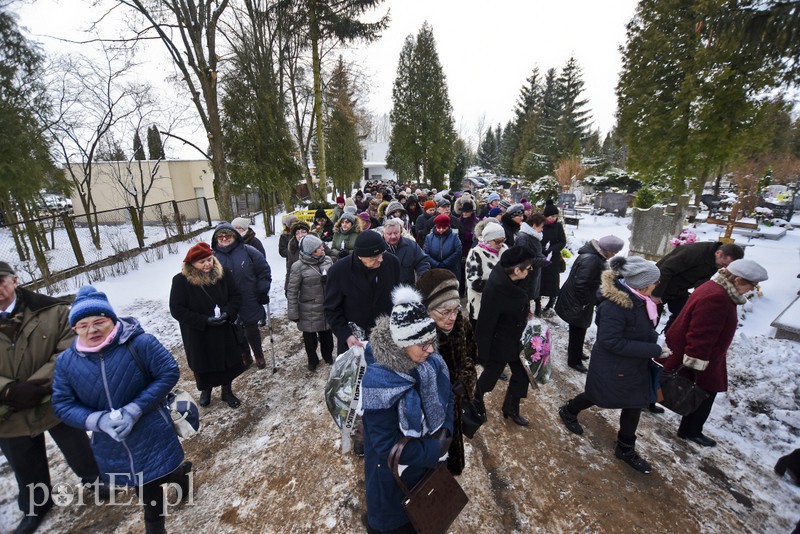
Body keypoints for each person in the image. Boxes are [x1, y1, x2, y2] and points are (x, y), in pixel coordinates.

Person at [52, 286, 191, 534]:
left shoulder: (139, 343)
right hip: (111, 443)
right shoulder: (66, 362)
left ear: (112, 320)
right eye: (82, 325)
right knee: (148, 479)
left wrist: (136, 408)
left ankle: (158, 523)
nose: (91, 330)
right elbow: (62, 404)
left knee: (148, 486)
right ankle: (179, 474)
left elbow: (169, 371)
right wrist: (98, 420)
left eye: (99, 322)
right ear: (74, 329)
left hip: (151, 431)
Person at [0, 263, 104, 534]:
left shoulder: (51, 310)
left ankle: (95, 479)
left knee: (77, 443)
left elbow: (69, 348)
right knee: (23, 461)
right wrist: (9, 390)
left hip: (52, 397)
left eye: (1, 282)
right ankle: (36, 505)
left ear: (14, 280)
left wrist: (38, 384)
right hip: (8, 408)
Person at [361, 286, 455, 534]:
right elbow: (385, 445)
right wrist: (435, 449)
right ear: (402, 345)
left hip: (426, 467)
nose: (431, 350)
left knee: (426, 517)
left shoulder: (430, 362)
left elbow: (448, 397)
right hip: (394, 479)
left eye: (431, 341)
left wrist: (446, 429)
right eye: (423, 344)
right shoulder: (379, 382)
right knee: (400, 525)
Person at [557, 256, 664, 474]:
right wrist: (655, 349)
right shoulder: (615, 306)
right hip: (613, 365)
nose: (658, 285)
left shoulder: (638, 299)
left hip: (633, 364)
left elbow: (637, 328)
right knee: (596, 395)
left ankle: (625, 447)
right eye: (655, 281)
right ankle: (568, 410)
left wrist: (655, 339)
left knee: (634, 403)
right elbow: (611, 341)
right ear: (642, 284)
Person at [661, 258, 768, 447]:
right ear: (738, 280)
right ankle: (690, 430)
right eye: (752, 285)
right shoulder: (718, 297)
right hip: (701, 355)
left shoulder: (715, 287)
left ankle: (682, 423)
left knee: (681, 384)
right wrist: (696, 360)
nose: (752, 290)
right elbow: (701, 332)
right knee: (704, 391)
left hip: (703, 352)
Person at [416, 269, 478, 475]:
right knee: (430, 458)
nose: (452, 317)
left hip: (455, 400)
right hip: (429, 409)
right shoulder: (416, 337)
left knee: (451, 445)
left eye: (455, 309)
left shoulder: (462, 323)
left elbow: (471, 355)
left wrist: (466, 379)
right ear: (427, 310)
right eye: (445, 312)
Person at [169, 242, 246, 408]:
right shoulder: (181, 281)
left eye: (210, 260)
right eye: (202, 261)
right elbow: (177, 310)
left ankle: (227, 391)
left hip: (223, 329)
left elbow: (236, 296)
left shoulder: (223, 274)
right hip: (199, 334)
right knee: (204, 365)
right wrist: (204, 321)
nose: (207, 264)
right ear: (191, 264)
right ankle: (206, 390)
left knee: (227, 364)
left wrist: (228, 313)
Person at [474, 246, 536, 426]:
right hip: (500, 343)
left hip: (516, 338)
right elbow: (485, 323)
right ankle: (474, 401)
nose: (530, 270)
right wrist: (483, 353)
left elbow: (518, 301)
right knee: (489, 378)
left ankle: (511, 407)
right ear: (517, 270)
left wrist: (525, 312)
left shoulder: (514, 279)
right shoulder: (496, 289)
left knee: (523, 374)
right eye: (528, 268)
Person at [555, 235, 625, 373]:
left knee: (580, 328)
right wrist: (586, 302)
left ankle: (577, 353)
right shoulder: (592, 259)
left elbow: (598, 274)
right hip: (578, 301)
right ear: (607, 249)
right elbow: (581, 283)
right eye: (614, 252)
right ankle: (574, 360)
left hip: (580, 300)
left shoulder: (595, 256)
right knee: (577, 329)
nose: (614, 255)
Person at [325, 230, 402, 355]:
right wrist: (346, 335)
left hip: (388, 338)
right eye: (374, 258)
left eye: (382, 254)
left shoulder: (392, 263)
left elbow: (398, 297)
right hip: (355, 341)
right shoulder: (339, 271)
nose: (380, 259)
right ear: (360, 256)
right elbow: (331, 309)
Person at [212, 223, 272, 370]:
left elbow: (263, 271)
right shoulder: (213, 257)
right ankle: (245, 355)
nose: (224, 238)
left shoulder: (248, 251)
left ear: (235, 236)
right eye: (221, 236)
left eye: (228, 235)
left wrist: (263, 290)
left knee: (251, 328)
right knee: (236, 329)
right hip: (229, 300)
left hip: (249, 297)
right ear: (216, 239)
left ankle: (258, 354)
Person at [651, 242, 744, 332]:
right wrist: (655, 294)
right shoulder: (694, 252)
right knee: (652, 317)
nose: (723, 267)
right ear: (718, 253)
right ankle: (646, 340)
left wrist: (699, 298)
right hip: (660, 283)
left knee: (685, 312)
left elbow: (702, 280)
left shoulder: (715, 260)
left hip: (679, 288)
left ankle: (669, 337)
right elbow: (665, 270)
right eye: (723, 264)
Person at [287, 235, 335, 371]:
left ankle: (328, 356)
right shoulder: (298, 267)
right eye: (318, 248)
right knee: (310, 338)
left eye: (322, 246)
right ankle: (312, 360)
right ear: (310, 251)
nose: (323, 248)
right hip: (308, 308)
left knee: (327, 334)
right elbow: (292, 291)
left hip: (326, 306)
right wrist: (293, 312)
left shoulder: (327, 260)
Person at [465, 221, 508, 328]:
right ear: (487, 239)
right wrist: (499, 287)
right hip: (481, 305)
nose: (500, 244)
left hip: (501, 304)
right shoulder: (476, 253)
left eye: (502, 240)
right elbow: (473, 282)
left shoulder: (505, 250)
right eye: (497, 241)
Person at [514, 213, 549, 314]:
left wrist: (542, 257)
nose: (542, 229)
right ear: (534, 225)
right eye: (541, 226)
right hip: (526, 276)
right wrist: (542, 261)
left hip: (532, 274)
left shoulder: (532, 235)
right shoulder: (523, 237)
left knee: (528, 300)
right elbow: (525, 258)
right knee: (524, 301)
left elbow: (536, 252)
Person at [383, 218, 431, 285]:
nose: (393, 236)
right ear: (384, 233)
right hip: (385, 289)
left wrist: (423, 277)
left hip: (407, 288)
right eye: (389, 234)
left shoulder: (411, 245)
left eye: (396, 233)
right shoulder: (378, 248)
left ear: (400, 232)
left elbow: (422, 261)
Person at [539, 200, 567, 313]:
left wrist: (552, 249)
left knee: (553, 280)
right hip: (541, 256)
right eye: (551, 216)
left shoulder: (558, 226)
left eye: (555, 216)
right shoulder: (541, 225)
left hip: (554, 257)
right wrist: (542, 249)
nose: (553, 218)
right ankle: (538, 299)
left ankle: (551, 300)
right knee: (541, 279)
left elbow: (562, 241)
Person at [424, 214, 463, 282]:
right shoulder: (429, 237)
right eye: (439, 227)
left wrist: (445, 263)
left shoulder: (454, 236)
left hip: (452, 270)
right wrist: (436, 264)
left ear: (448, 226)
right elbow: (425, 253)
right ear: (435, 226)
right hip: (434, 270)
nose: (441, 230)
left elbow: (458, 251)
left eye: (444, 227)